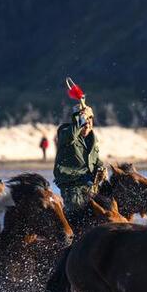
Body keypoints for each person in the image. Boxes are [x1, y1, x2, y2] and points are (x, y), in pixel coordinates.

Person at [54, 79, 102, 215]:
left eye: (89, 120)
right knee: (78, 215)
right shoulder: (65, 133)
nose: (87, 124)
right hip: (72, 186)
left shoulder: (93, 138)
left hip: (90, 185)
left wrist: (100, 169)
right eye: (84, 121)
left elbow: (95, 159)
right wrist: (80, 118)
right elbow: (71, 136)